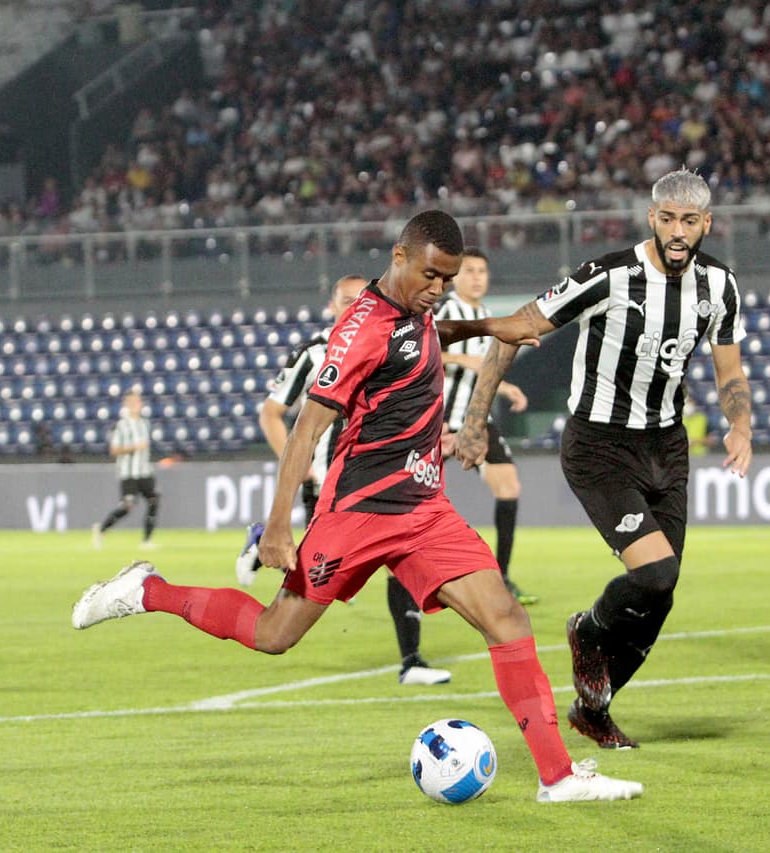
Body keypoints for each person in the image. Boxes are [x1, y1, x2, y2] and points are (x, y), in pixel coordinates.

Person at [72, 210, 643, 803]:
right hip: (359, 513)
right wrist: (277, 524)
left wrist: (489, 326)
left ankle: (557, 776)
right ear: (399, 257)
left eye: (446, 280)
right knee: (273, 633)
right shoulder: (362, 328)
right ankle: (147, 590)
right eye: (430, 276)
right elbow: (306, 428)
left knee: (507, 618)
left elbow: (428, 335)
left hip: (424, 511)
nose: (437, 290)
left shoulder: (414, 309)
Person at [455, 170, 753, 749]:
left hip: (666, 447)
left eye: (689, 221)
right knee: (655, 574)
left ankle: (594, 709)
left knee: (660, 594)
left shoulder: (720, 286)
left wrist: (740, 424)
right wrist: (474, 422)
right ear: (652, 218)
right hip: (599, 447)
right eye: (668, 218)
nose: (677, 231)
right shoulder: (609, 275)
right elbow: (516, 329)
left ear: (706, 224)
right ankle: (588, 629)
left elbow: (730, 371)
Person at [234, 274, 452, 686]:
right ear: (332, 306)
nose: (354, 307)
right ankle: (263, 542)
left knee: (398, 564)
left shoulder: (390, 341)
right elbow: (271, 413)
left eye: (359, 299)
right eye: (346, 301)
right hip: (329, 483)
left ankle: (412, 661)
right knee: (315, 583)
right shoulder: (314, 354)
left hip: (376, 481)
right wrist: (299, 466)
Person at [434, 247, 537, 606]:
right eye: (470, 271)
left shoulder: (484, 316)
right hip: (439, 420)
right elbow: (421, 350)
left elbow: (485, 368)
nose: (477, 277)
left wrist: (505, 388)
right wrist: (464, 358)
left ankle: (501, 577)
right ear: (455, 278)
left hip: (476, 419)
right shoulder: (446, 311)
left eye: (482, 271)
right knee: (413, 493)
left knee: (508, 485)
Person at [91, 389, 159, 549]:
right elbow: (114, 450)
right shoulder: (121, 425)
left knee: (154, 501)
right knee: (127, 506)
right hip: (128, 473)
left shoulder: (145, 424)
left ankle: (147, 540)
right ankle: (101, 529)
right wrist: (134, 447)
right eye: (132, 402)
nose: (136, 404)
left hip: (144, 471)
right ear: (127, 405)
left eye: (138, 401)